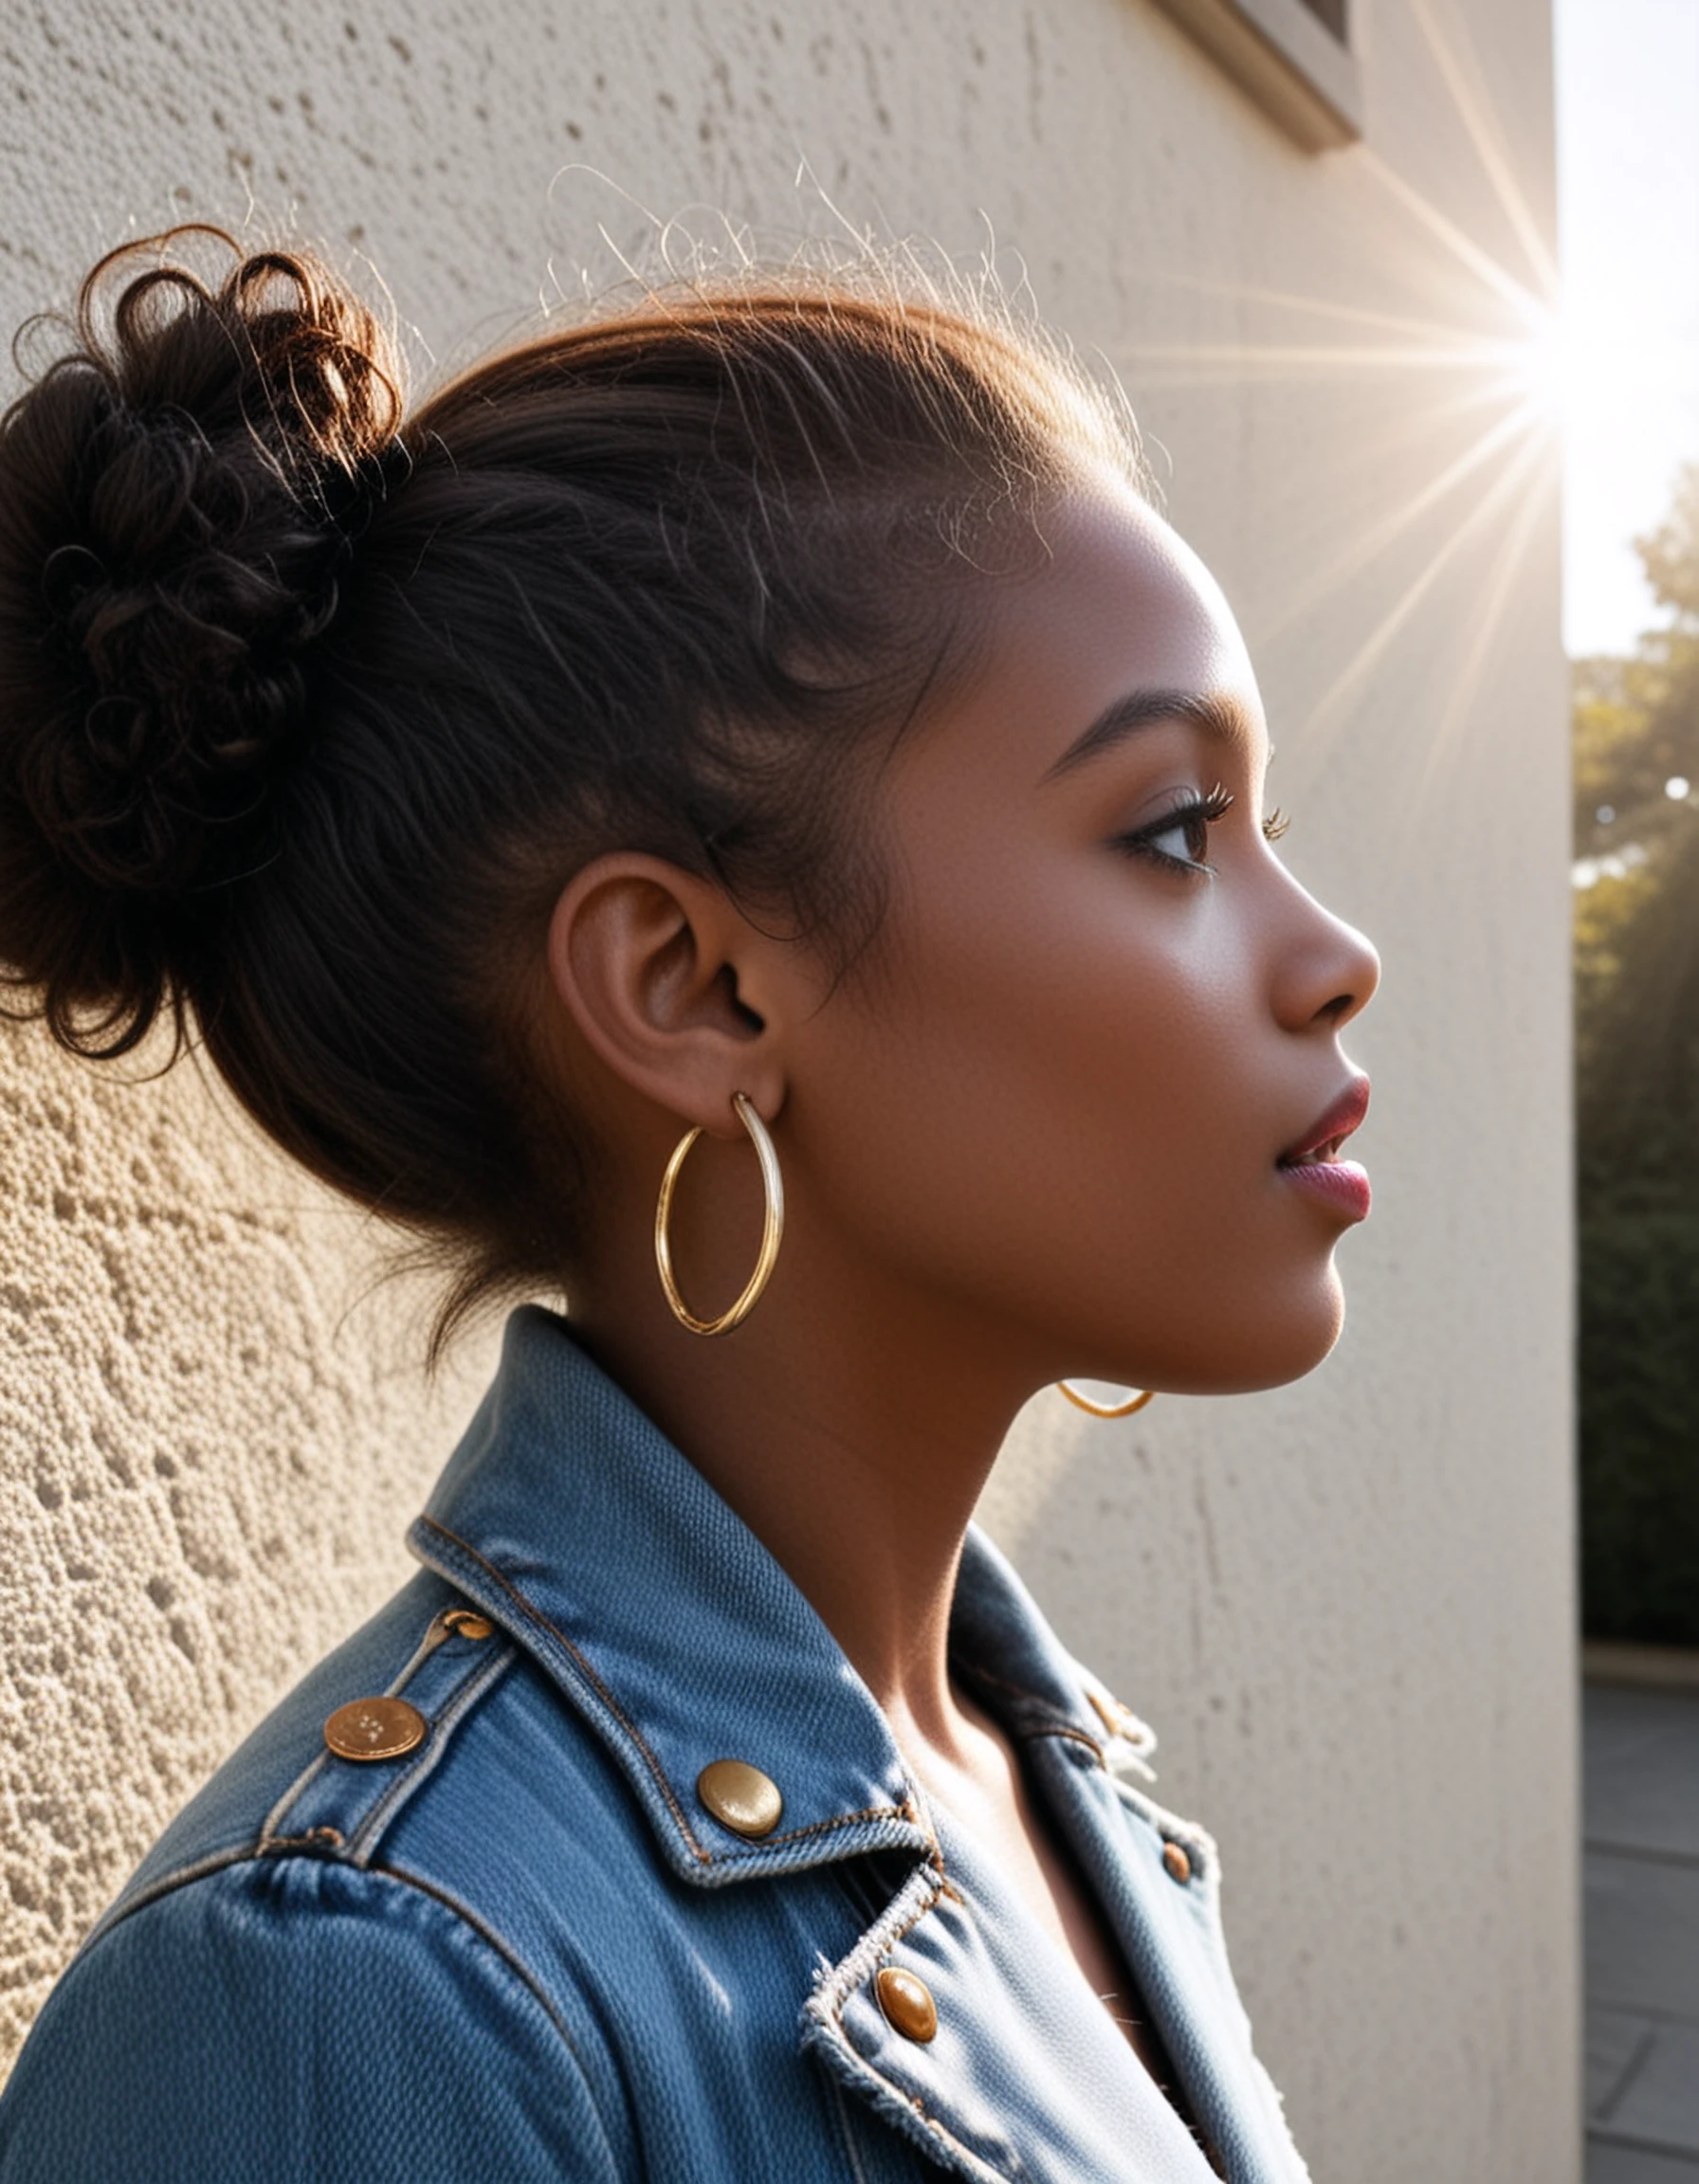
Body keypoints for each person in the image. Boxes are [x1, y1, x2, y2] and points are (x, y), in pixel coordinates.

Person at [0, 228, 1377, 2183]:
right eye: (1167, 832)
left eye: (1267, 835)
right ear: (690, 990)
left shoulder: (1036, 1767)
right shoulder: (351, 2004)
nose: (1330, 957)